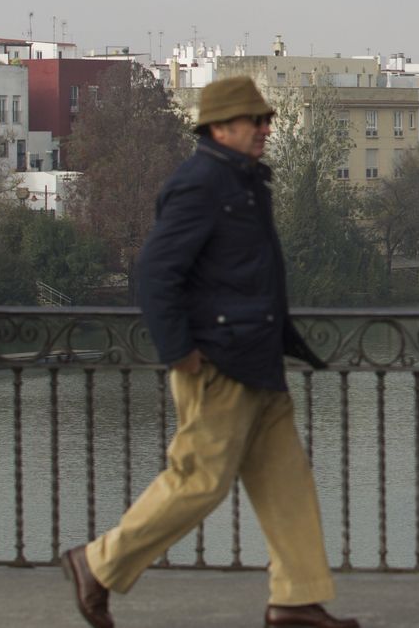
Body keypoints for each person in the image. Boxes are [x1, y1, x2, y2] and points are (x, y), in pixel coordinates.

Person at [61, 76, 358, 628]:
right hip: (219, 365)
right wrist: (180, 353)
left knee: (287, 481)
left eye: (267, 120)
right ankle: (96, 564)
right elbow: (154, 273)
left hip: (256, 358)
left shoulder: (242, 182)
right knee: (198, 481)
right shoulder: (202, 183)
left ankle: (295, 599)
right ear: (221, 127)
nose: (267, 128)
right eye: (256, 121)